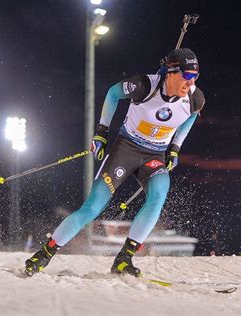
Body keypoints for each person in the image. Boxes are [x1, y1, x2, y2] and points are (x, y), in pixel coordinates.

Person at [25, 48, 205, 277]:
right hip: (126, 150)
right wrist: (101, 133)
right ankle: (45, 253)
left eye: (195, 77)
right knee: (92, 208)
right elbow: (112, 94)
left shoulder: (194, 98)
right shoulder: (144, 86)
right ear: (171, 72)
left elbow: (192, 115)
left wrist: (175, 148)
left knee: (159, 194)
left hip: (155, 156)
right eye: (187, 76)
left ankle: (124, 259)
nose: (190, 83)